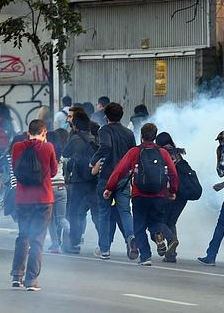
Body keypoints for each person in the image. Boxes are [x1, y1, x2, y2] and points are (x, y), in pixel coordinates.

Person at [104, 123, 179, 266]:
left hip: (139, 195)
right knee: (156, 221)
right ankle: (162, 236)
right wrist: (173, 191)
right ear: (155, 136)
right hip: (159, 195)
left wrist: (109, 187)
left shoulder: (135, 152)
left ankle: (145, 257)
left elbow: (119, 171)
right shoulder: (163, 152)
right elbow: (173, 173)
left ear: (141, 136)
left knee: (138, 226)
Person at [10, 119, 57, 291]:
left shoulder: (17, 147)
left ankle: (16, 276)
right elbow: (53, 172)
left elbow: (15, 168)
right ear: (44, 132)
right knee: (37, 240)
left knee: (23, 236)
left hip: (23, 199)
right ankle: (31, 281)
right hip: (44, 199)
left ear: (28, 131)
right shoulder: (48, 147)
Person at [90, 102, 138, 260]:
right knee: (125, 211)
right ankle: (131, 238)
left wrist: (93, 160)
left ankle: (104, 249)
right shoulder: (129, 133)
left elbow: (106, 146)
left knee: (104, 213)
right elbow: (134, 153)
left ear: (106, 116)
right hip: (124, 178)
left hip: (106, 177)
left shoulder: (104, 130)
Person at [197, 130, 224, 266]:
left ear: (222, 141)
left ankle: (211, 255)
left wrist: (218, 156)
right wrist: (223, 184)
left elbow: (221, 172)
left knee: (222, 223)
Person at [62, 113, 99, 254]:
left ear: (75, 126)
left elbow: (65, 153)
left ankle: (74, 242)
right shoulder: (94, 138)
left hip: (78, 181)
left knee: (74, 212)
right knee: (97, 213)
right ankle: (104, 243)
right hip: (93, 180)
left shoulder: (75, 138)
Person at [154, 132, 188, 263]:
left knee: (159, 221)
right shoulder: (178, 153)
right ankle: (171, 254)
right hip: (182, 194)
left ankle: (171, 239)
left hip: (169, 192)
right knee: (171, 221)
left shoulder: (162, 154)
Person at [46, 130, 69, 254]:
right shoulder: (61, 156)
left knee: (49, 219)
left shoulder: (45, 153)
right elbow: (65, 172)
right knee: (62, 218)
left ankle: (55, 244)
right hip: (61, 187)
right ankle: (71, 233)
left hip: (49, 188)